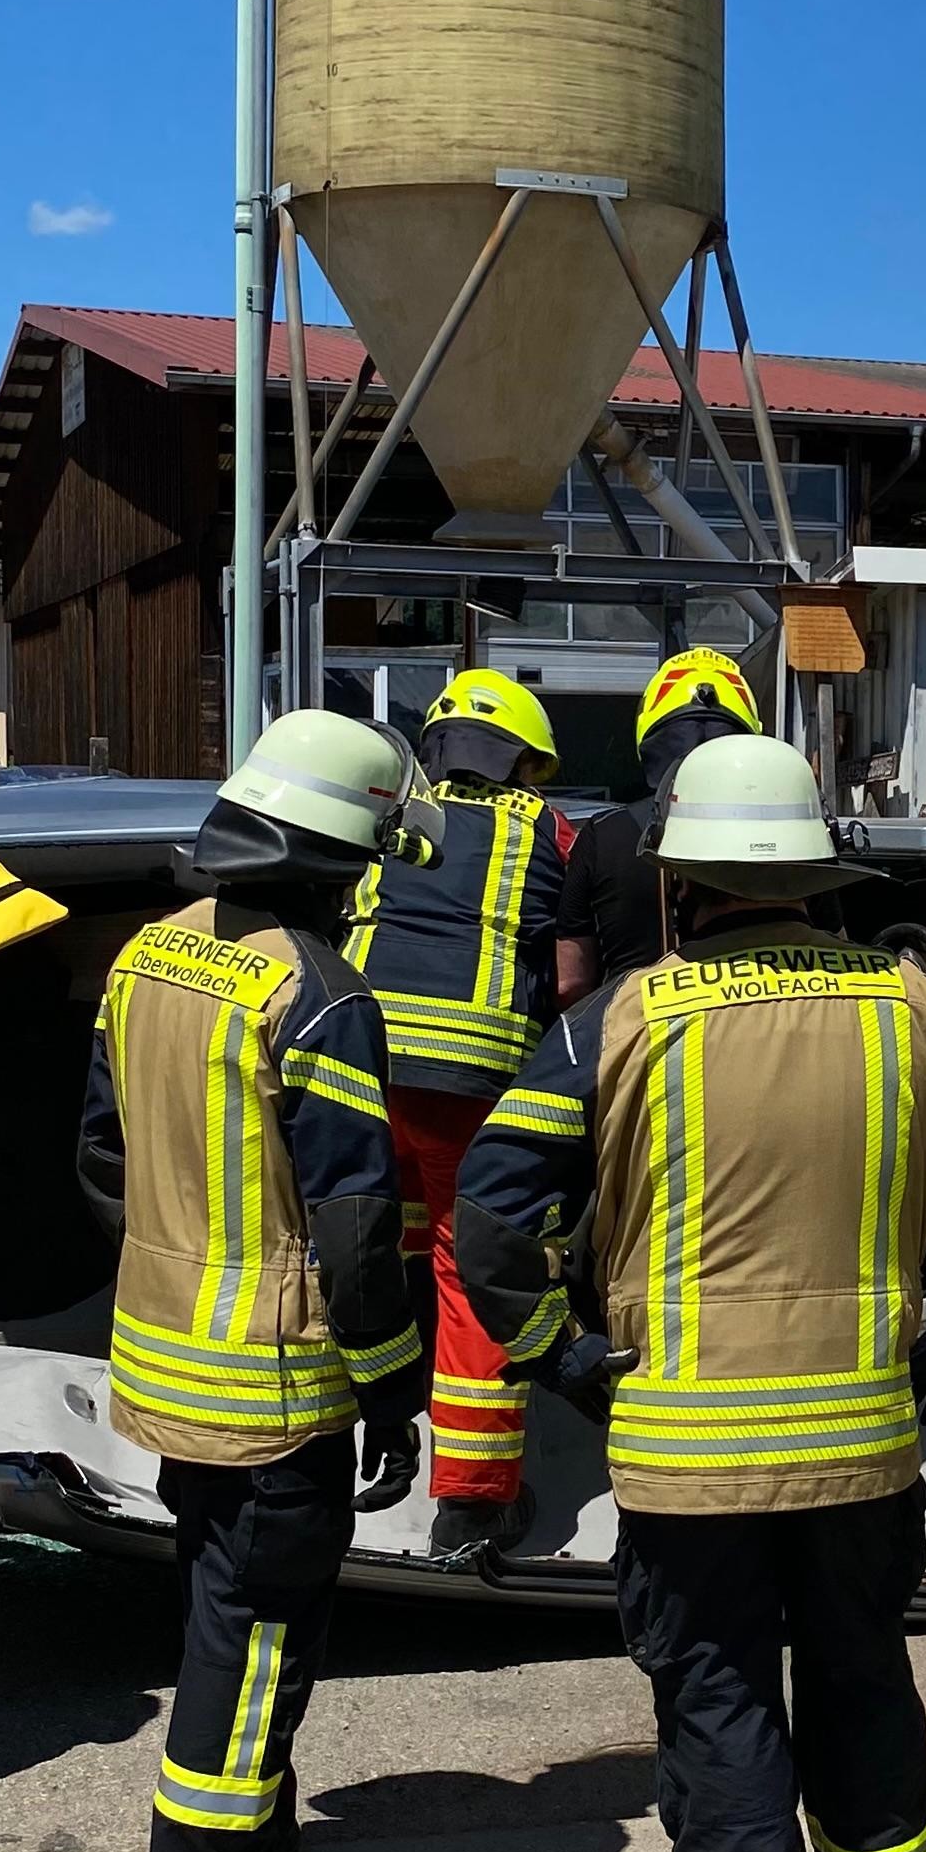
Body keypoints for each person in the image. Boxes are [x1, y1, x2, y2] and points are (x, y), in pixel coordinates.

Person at [452, 731, 926, 1852]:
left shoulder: (616, 1021)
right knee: (862, 1673)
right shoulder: (920, 1005)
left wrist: (564, 1358)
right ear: (821, 876)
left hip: (686, 1447)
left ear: (680, 883)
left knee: (716, 1691)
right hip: (865, 1434)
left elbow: (492, 1222)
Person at [77, 711, 438, 1852]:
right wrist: (391, 1388)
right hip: (277, 1383)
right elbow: (355, 1228)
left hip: (168, 1363)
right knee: (261, 1637)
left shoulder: (149, 955)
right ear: (343, 859)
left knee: (217, 1615)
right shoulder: (321, 996)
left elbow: (104, 1158)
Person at [342, 668, 575, 1558]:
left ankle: (365, 1425)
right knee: (470, 1266)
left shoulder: (387, 814)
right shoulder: (550, 830)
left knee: (367, 1238)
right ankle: (471, 1504)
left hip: (361, 1063)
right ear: (524, 760)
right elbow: (570, 973)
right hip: (468, 1083)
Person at [554, 646, 762, 1003]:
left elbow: (570, 983)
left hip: (635, 1029)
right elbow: (832, 943)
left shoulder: (603, 836)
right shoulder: (788, 833)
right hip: (752, 1026)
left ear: (648, 734)